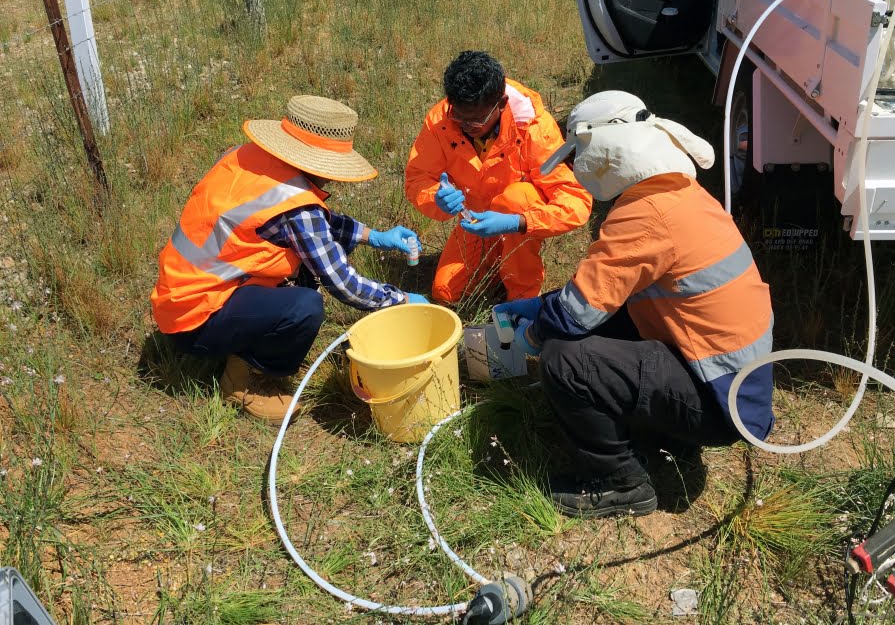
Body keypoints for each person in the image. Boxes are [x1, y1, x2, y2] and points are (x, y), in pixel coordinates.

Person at [495, 91, 775, 518]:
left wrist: (533, 332)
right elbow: (606, 295)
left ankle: (621, 483)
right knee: (592, 328)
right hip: (735, 385)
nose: (574, 170)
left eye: (576, 160)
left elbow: (574, 316)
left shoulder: (645, 214)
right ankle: (658, 430)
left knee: (563, 357)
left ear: (603, 151)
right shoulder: (678, 192)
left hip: (722, 404)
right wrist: (544, 304)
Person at [151, 96, 428, 424]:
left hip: (178, 297)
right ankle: (240, 385)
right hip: (196, 321)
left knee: (298, 269)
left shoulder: (247, 157)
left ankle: (238, 336)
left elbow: (312, 224)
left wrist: (374, 235)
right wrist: (400, 300)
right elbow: (344, 285)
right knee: (304, 306)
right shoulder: (296, 208)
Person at [404, 51, 592, 304]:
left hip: (517, 219)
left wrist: (518, 222)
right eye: (459, 116)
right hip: (473, 219)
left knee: (517, 199)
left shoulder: (534, 127)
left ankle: (522, 291)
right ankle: (495, 261)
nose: (465, 126)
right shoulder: (441, 120)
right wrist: (435, 198)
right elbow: (418, 177)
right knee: (447, 294)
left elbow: (576, 200)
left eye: (476, 120)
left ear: (501, 104)